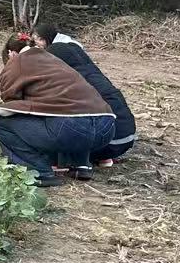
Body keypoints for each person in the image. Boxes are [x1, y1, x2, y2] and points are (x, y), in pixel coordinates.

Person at [0, 36, 116, 185]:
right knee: (71, 111)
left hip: (72, 128)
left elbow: (9, 99)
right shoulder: (55, 59)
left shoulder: (17, 62)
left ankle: (38, 172)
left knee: (1, 121)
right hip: (106, 128)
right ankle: (81, 165)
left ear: (11, 53)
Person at [31, 24, 137, 165]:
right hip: (127, 139)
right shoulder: (93, 73)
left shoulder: (69, 81)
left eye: (38, 40)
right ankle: (102, 157)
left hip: (108, 141)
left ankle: (82, 159)